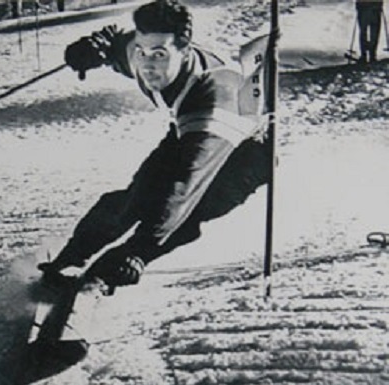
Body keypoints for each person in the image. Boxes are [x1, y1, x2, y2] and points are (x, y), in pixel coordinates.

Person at [38, 0, 270, 294]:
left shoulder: (215, 101)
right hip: (186, 128)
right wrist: (95, 48)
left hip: (245, 151)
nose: (148, 65)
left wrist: (139, 251)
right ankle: (71, 260)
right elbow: (116, 42)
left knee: (186, 212)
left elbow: (183, 187)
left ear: (184, 51)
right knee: (136, 197)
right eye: (142, 52)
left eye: (160, 55)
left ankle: (108, 272)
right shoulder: (141, 53)